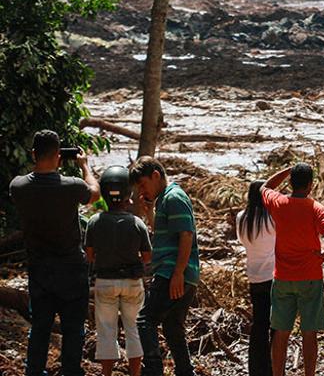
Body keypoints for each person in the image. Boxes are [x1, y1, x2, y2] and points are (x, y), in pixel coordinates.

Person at [9, 129, 100, 376]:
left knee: (40, 327)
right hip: (71, 271)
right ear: (59, 156)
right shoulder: (72, 186)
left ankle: (34, 371)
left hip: (40, 271)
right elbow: (95, 193)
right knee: (73, 329)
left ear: (33, 154)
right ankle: (70, 371)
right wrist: (85, 167)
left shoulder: (18, 186)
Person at [261, 163, 324, 376]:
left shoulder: (278, 202)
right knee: (309, 332)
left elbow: (264, 187)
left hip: (283, 276)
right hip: (310, 277)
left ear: (290, 183)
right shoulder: (316, 208)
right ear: (311, 185)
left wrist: (286, 170)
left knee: (281, 333)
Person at [129, 156, 200, 376]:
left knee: (145, 320)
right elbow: (165, 234)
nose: (142, 190)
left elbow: (186, 235)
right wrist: (149, 212)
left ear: (156, 176)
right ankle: (185, 371)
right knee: (172, 327)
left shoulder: (173, 197)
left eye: (143, 184)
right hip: (183, 274)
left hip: (172, 272)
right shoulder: (165, 200)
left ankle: (153, 370)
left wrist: (177, 272)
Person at [85, 165, 152, 376]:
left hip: (105, 282)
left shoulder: (94, 222)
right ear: (127, 194)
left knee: (106, 332)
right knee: (134, 331)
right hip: (132, 283)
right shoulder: (137, 223)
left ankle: (106, 374)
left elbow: (89, 255)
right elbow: (147, 257)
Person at [236, 180, 276, 376]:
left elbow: (242, 241)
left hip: (254, 277)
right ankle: (273, 368)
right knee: (275, 326)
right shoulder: (271, 219)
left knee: (259, 325)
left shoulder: (241, 218)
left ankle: (256, 369)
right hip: (273, 277)